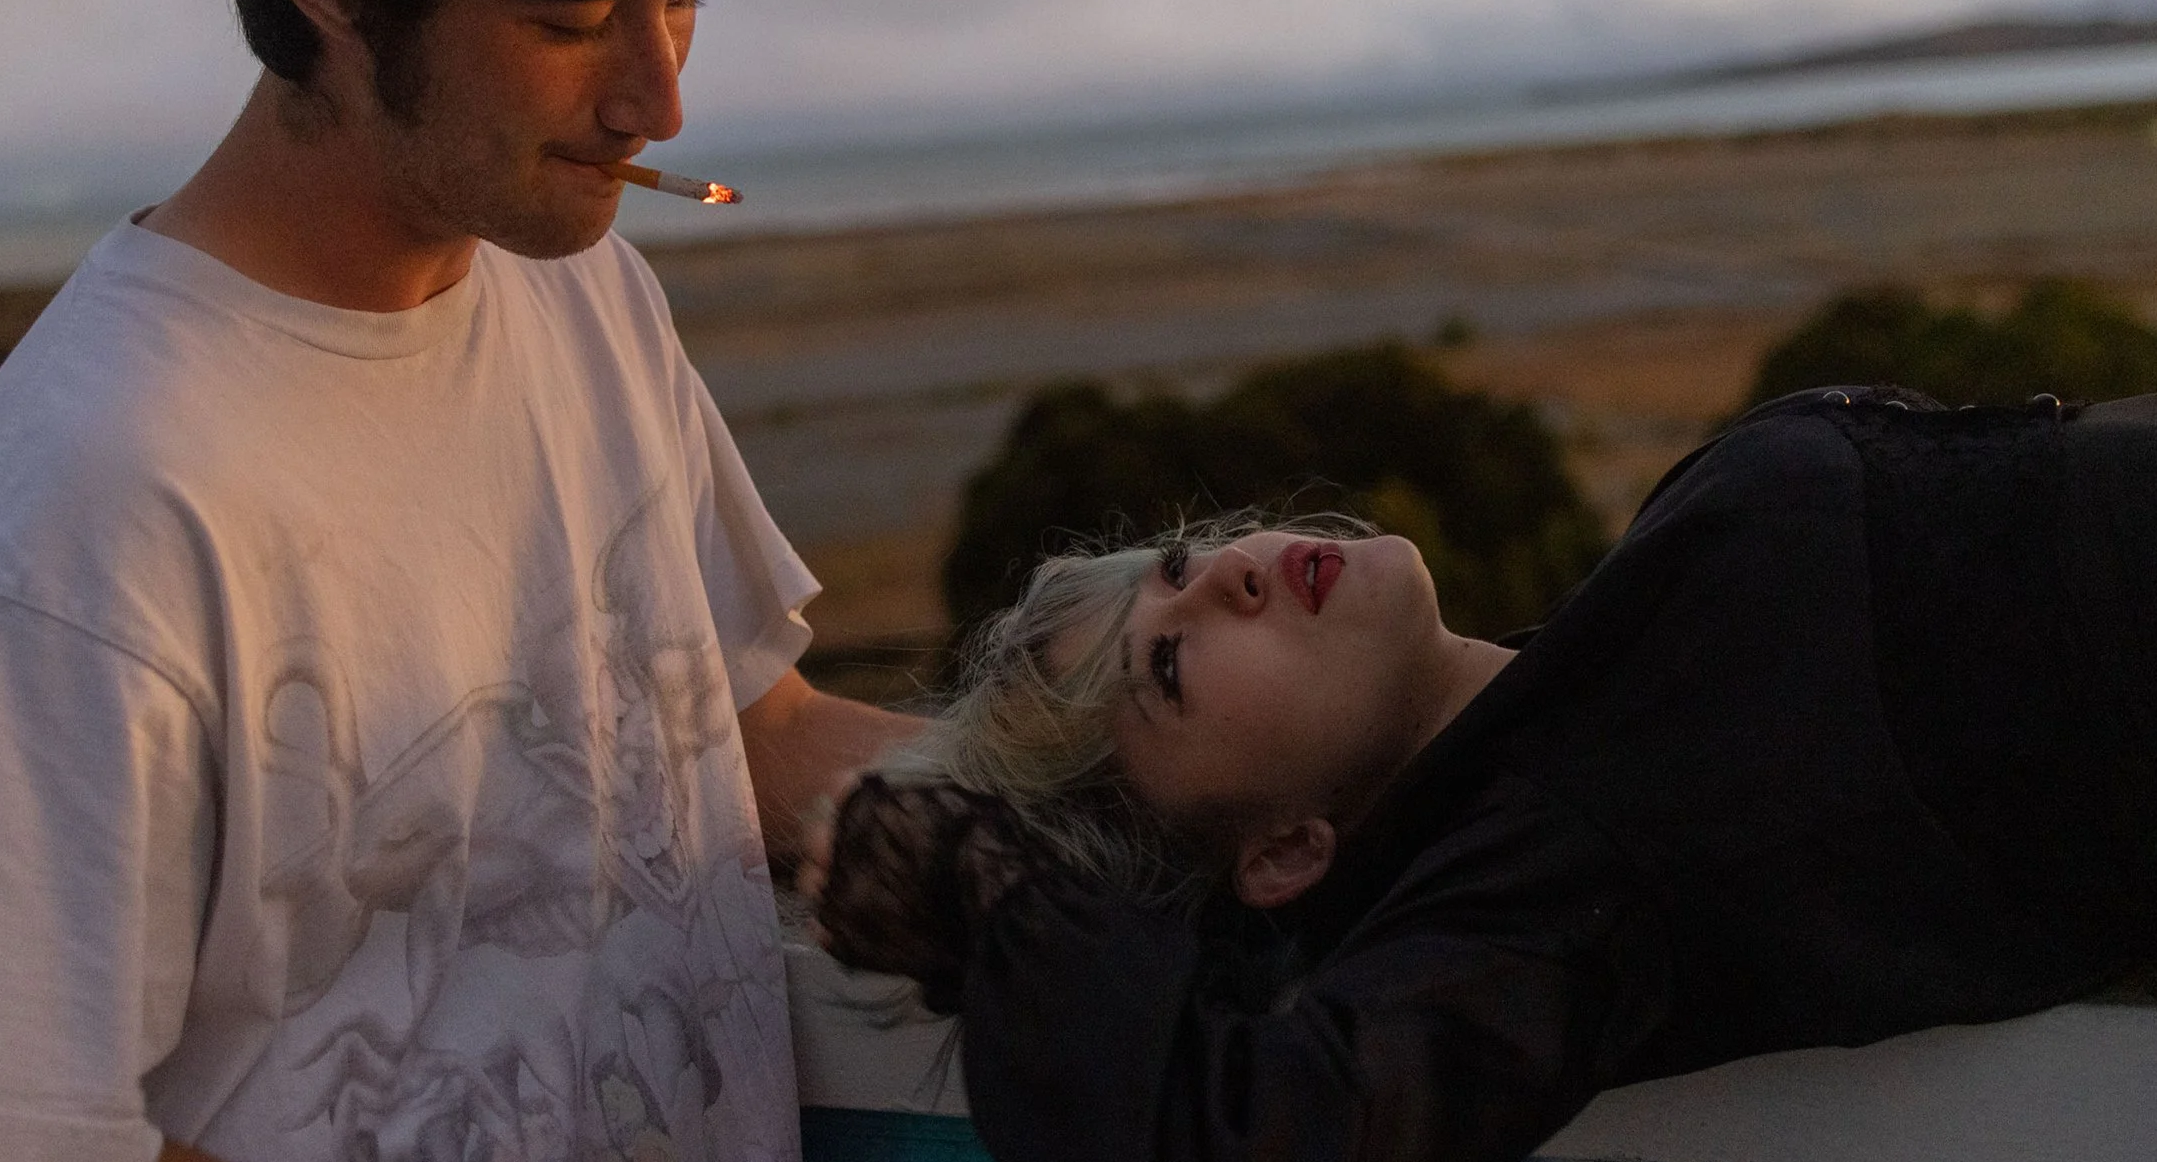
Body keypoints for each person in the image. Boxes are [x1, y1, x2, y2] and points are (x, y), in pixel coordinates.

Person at [0, 0, 915, 1162]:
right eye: (575, 19)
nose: (658, 98)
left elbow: (745, 735)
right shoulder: (92, 513)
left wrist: (1289, 800)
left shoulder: (577, 286)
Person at [815, 384, 2157, 1162]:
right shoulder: (1539, 878)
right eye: (1168, 670)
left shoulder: (1585, 671)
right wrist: (987, 897)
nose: (1223, 572)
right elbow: (1272, 1126)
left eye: (1174, 570)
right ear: (1282, 854)